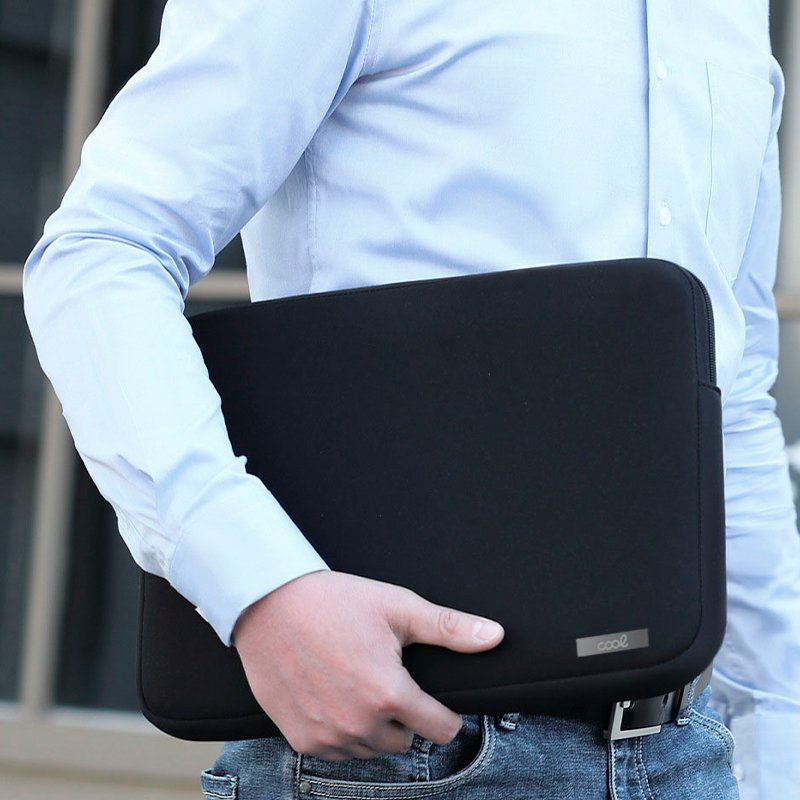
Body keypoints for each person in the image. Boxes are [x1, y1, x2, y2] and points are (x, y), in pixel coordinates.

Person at [23, 1, 800, 798]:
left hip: (687, 752)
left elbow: (731, 391)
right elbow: (105, 248)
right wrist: (262, 589)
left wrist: (777, 751)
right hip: (407, 747)